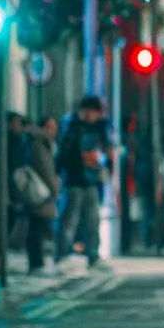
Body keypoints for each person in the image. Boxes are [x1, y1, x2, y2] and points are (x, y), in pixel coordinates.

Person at [53, 95, 112, 265]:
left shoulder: (100, 129)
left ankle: (92, 254)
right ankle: (62, 254)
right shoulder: (72, 128)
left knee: (93, 220)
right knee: (70, 219)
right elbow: (63, 155)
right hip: (75, 180)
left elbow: (107, 152)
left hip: (92, 180)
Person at [10, 115, 57, 274]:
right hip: (38, 191)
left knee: (36, 225)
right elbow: (45, 169)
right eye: (49, 127)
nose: (52, 131)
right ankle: (36, 263)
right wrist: (53, 188)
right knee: (35, 226)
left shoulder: (39, 142)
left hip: (37, 190)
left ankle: (37, 262)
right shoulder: (39, 144)